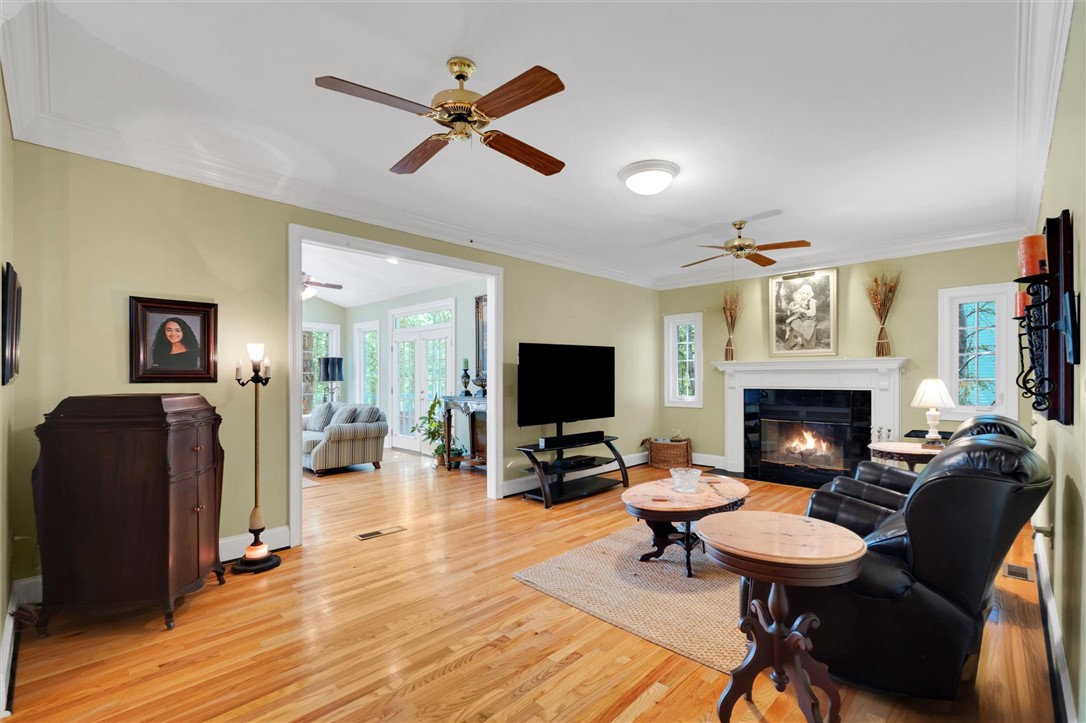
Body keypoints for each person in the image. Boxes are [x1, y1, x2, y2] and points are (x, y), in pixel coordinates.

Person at [783, 284, 818, 349]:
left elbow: (813, 313)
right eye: (803, 293)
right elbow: (791, 308)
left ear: (809, 294)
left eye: (807, 294)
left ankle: (804, 341)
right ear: (800, 293)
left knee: (806, 324)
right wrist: (791, 309)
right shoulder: (797, 300)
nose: (804, 295)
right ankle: (795, 342)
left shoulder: (811, 301)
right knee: (795, 322)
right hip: (798, 317)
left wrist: (802, 310)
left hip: (809, 318)